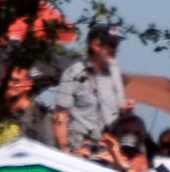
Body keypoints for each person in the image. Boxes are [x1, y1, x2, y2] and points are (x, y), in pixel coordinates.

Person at [54, 24, 128, 156]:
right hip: (81, 153)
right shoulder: (73, 73)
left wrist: (126, 110)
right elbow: (60, 116)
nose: (115, 49)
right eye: (111, 45)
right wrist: (67, 151)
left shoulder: (115, 74)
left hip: (109, 154)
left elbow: (119, 111)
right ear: (95, 46)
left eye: (116, 45)